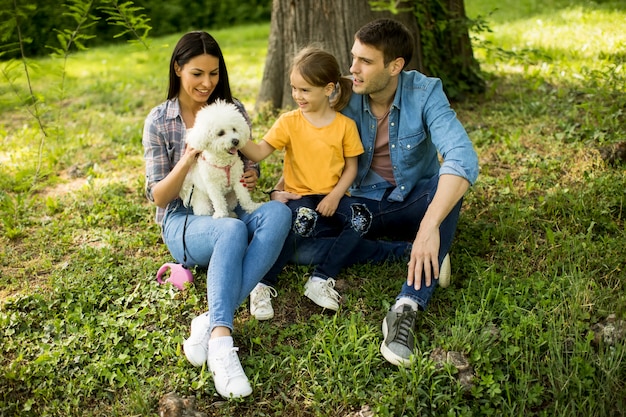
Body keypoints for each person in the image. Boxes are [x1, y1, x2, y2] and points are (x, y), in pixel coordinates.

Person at [271, 18, 479, 367]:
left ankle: (406, 306)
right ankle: (410, 252)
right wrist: (280, 188)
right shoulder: (340, 92)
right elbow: (304, 139)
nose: (353, 69)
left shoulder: (425, 92)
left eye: (365, 62)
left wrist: (428, 226)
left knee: (446, 189)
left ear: (395, 66)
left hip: (410, 200)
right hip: (354, 207)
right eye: (353, 58)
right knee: (295, 240)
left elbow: (462, 158)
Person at [142, 31, 292, 398]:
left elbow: (242, 160)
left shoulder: (232, 108)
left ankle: (207, 320)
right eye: (197, 73)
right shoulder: (160, 120)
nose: (207, 83)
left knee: (278, 215)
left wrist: (251, 175)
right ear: (178, 69)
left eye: (213, 73)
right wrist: (190, 156)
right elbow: (159, 196)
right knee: (230, 230)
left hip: (234, 205)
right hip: (184, 219)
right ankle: (222, 342)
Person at [241, 46, 369, 317]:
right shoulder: (289, 122)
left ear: (328, 88)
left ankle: (320, 279)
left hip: (332, 194)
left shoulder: (344, 126)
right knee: (303, 218)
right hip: (299, 197)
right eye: (294, 88)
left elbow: (351, 168)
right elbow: (261, 151)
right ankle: (262, 283)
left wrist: (335, 196)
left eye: (305, 90)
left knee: (361, 218)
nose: (297, 96)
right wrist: (235, 137)